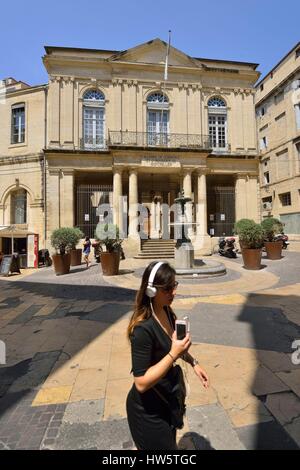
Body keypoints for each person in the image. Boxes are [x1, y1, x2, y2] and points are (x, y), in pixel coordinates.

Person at [126, 261, 209, 450]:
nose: (173, 292)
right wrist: (174, 354)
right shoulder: (142, 329)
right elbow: (141, 382)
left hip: (166, 401)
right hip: (146, 412)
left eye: (174, 286)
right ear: (151, 291)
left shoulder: (167, 312)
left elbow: (177, 348)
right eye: (167, 289)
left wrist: (194, 363)